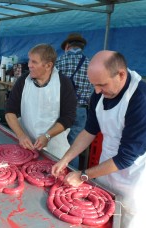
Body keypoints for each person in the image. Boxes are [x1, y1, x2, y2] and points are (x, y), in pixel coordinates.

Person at [51, 50, 146, 228]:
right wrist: (66, 158)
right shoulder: (100, 94)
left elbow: (125, 158)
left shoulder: (144, 102)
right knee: (101, 221)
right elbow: (89, 131)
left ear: (121, 75)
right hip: (107, 164)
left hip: (136, 175)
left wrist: (84, 175)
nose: (97, 91)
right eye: (94, 85)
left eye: (101, 85)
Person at [5, 43, 77, 159]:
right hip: (26, 145)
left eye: (34, 62)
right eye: (29, 61)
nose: (29, 65)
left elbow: (68, 117)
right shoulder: (23, 81)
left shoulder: (63, 83)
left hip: (55, 146)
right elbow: (10, 112)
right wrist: (21, 135)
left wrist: (47, 136)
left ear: (48, 66)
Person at [55, 33, 93, 169]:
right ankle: (70, 175)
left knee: (56, 142)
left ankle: (53, 170)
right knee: (74, 147)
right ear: (82, 47)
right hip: (81, 109)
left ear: (67, 47)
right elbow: (93, 90)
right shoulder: (90, 63)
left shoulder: (59, 62)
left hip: (61, 108)